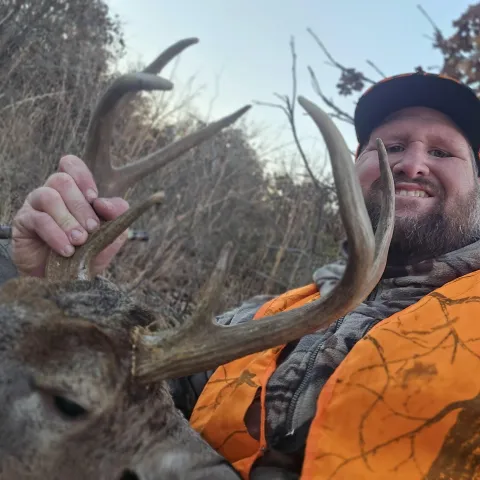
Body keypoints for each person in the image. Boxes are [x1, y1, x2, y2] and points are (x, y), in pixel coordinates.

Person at [7, 71, 480, 479]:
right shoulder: (265, 317)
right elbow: (119, 391)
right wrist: (65, 287)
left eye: (442, 152)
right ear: (354, 168)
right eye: (391, 146)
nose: (412, 164)